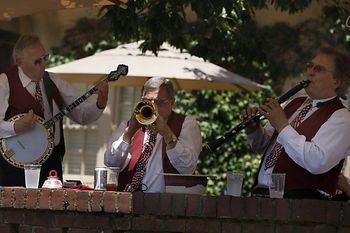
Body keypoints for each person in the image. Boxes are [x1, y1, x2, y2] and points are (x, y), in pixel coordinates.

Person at [241, 46, 350, 200]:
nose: (310, 72)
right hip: (263, 195)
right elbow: (262, 146)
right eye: (309, 66)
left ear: (336, 81)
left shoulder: (341, 117)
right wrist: (253, 129)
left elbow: (316, 162)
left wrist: (282, 125)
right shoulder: (294, 103)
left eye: (318, 69)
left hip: (302, 205)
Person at [0, 34, 109, 187]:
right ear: (19, 62)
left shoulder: (53, 81)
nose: (44, 64)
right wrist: (15, 127)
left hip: (51, 163)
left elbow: (82, 116)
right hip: (14, 164)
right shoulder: (5, 82)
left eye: (45, 58)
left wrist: (100, 104)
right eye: (37, 61)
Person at [104, 77, 202, 192]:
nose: (152, 106)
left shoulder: (187, 124)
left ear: (172, 102)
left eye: (159, 102)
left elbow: (188, 168)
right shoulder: (128, 125)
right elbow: (110, 162)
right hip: (129, 201)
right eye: (147, 101)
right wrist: (129, 133)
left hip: (166, 203)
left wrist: (167, 133)